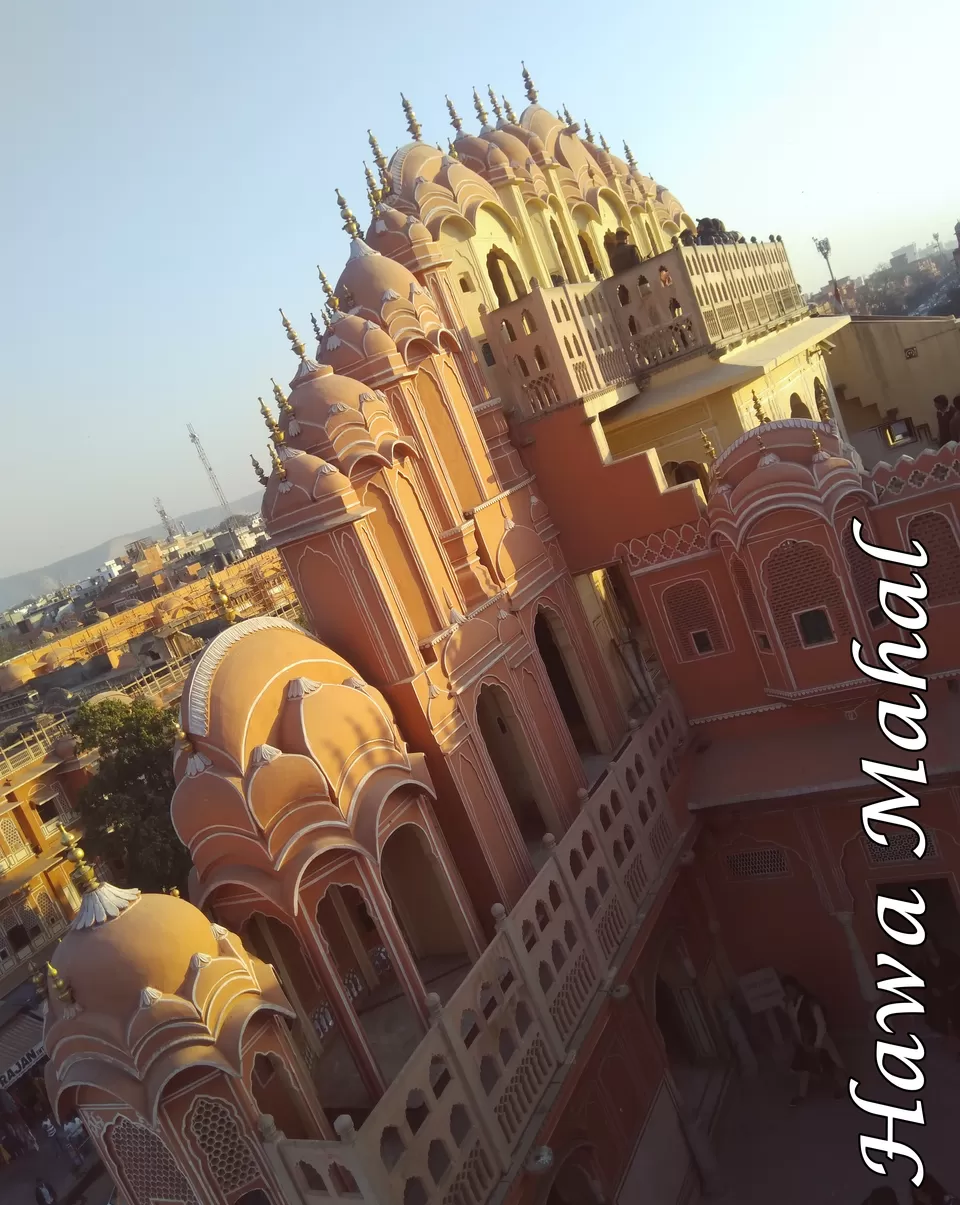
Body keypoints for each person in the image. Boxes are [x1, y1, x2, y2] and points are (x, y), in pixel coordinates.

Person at [782, 974, 845, 1104]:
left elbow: (821, 1025)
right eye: (786, 990)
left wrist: (817, 1044)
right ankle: (801, 1095)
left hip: (819, 1039)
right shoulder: (789, 1005)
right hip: (804, 1042)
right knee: (804, 1067)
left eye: (791, 990)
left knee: (830, 1064)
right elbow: (794, 1023)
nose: (789, 993)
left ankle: (842, 1086)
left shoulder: (811, 1003)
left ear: (797, 988)